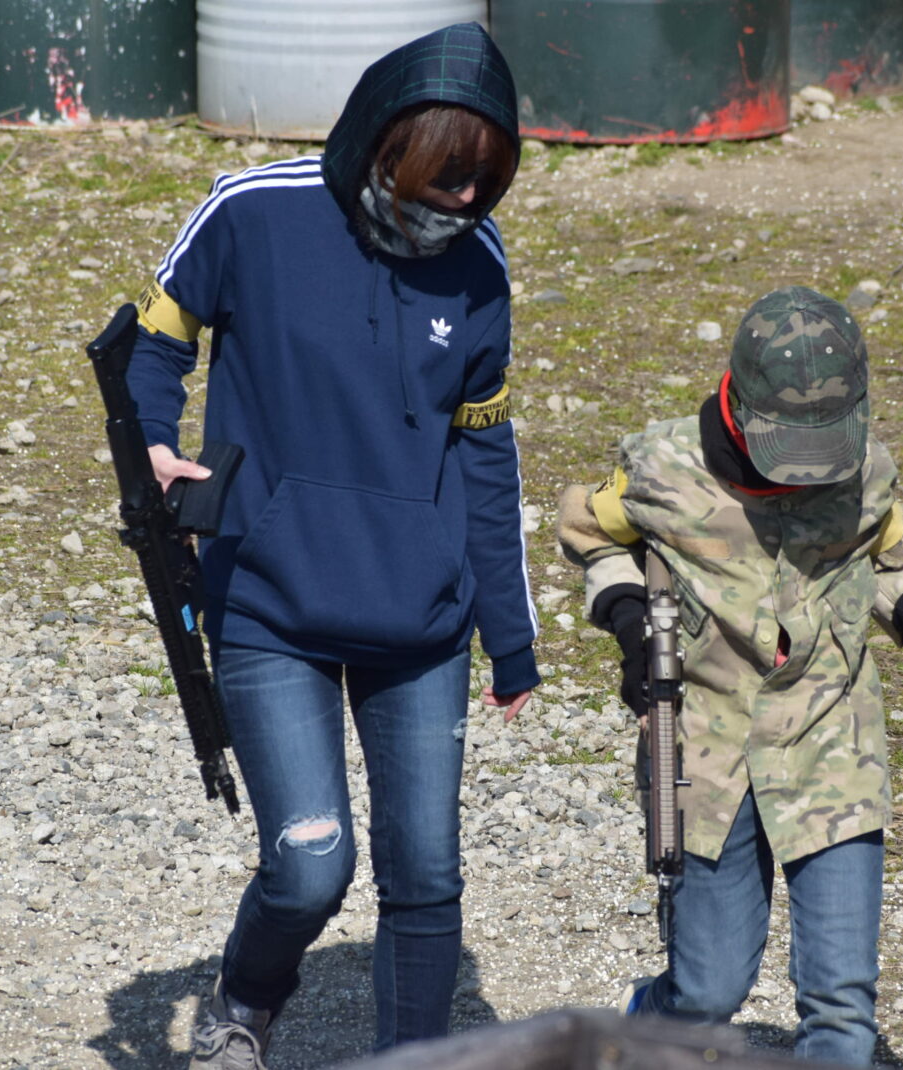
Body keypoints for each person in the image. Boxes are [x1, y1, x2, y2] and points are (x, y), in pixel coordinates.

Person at [122, 22, 538, 1069]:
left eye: (486, 182)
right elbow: (153, 339)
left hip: (422, 622)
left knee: (426, 876)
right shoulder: (253, 210)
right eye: (448, 175)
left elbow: (487, 458)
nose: (464, 201)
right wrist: (158, 446)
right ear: (387, 141)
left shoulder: (480, 268)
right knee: (310, 866)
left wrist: (511, 635)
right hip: (269, 601)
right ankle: (243, 1002)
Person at [556, 285, 903, 1066]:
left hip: (832, 743)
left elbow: (894, 555)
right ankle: (640, 1030)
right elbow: (588, 529)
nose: (809, 473)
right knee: (708, 992)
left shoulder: (865, 469)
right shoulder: (663, 469)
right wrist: (628, 619)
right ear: (742, 407)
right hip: (706, 750)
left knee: (842, 1006)